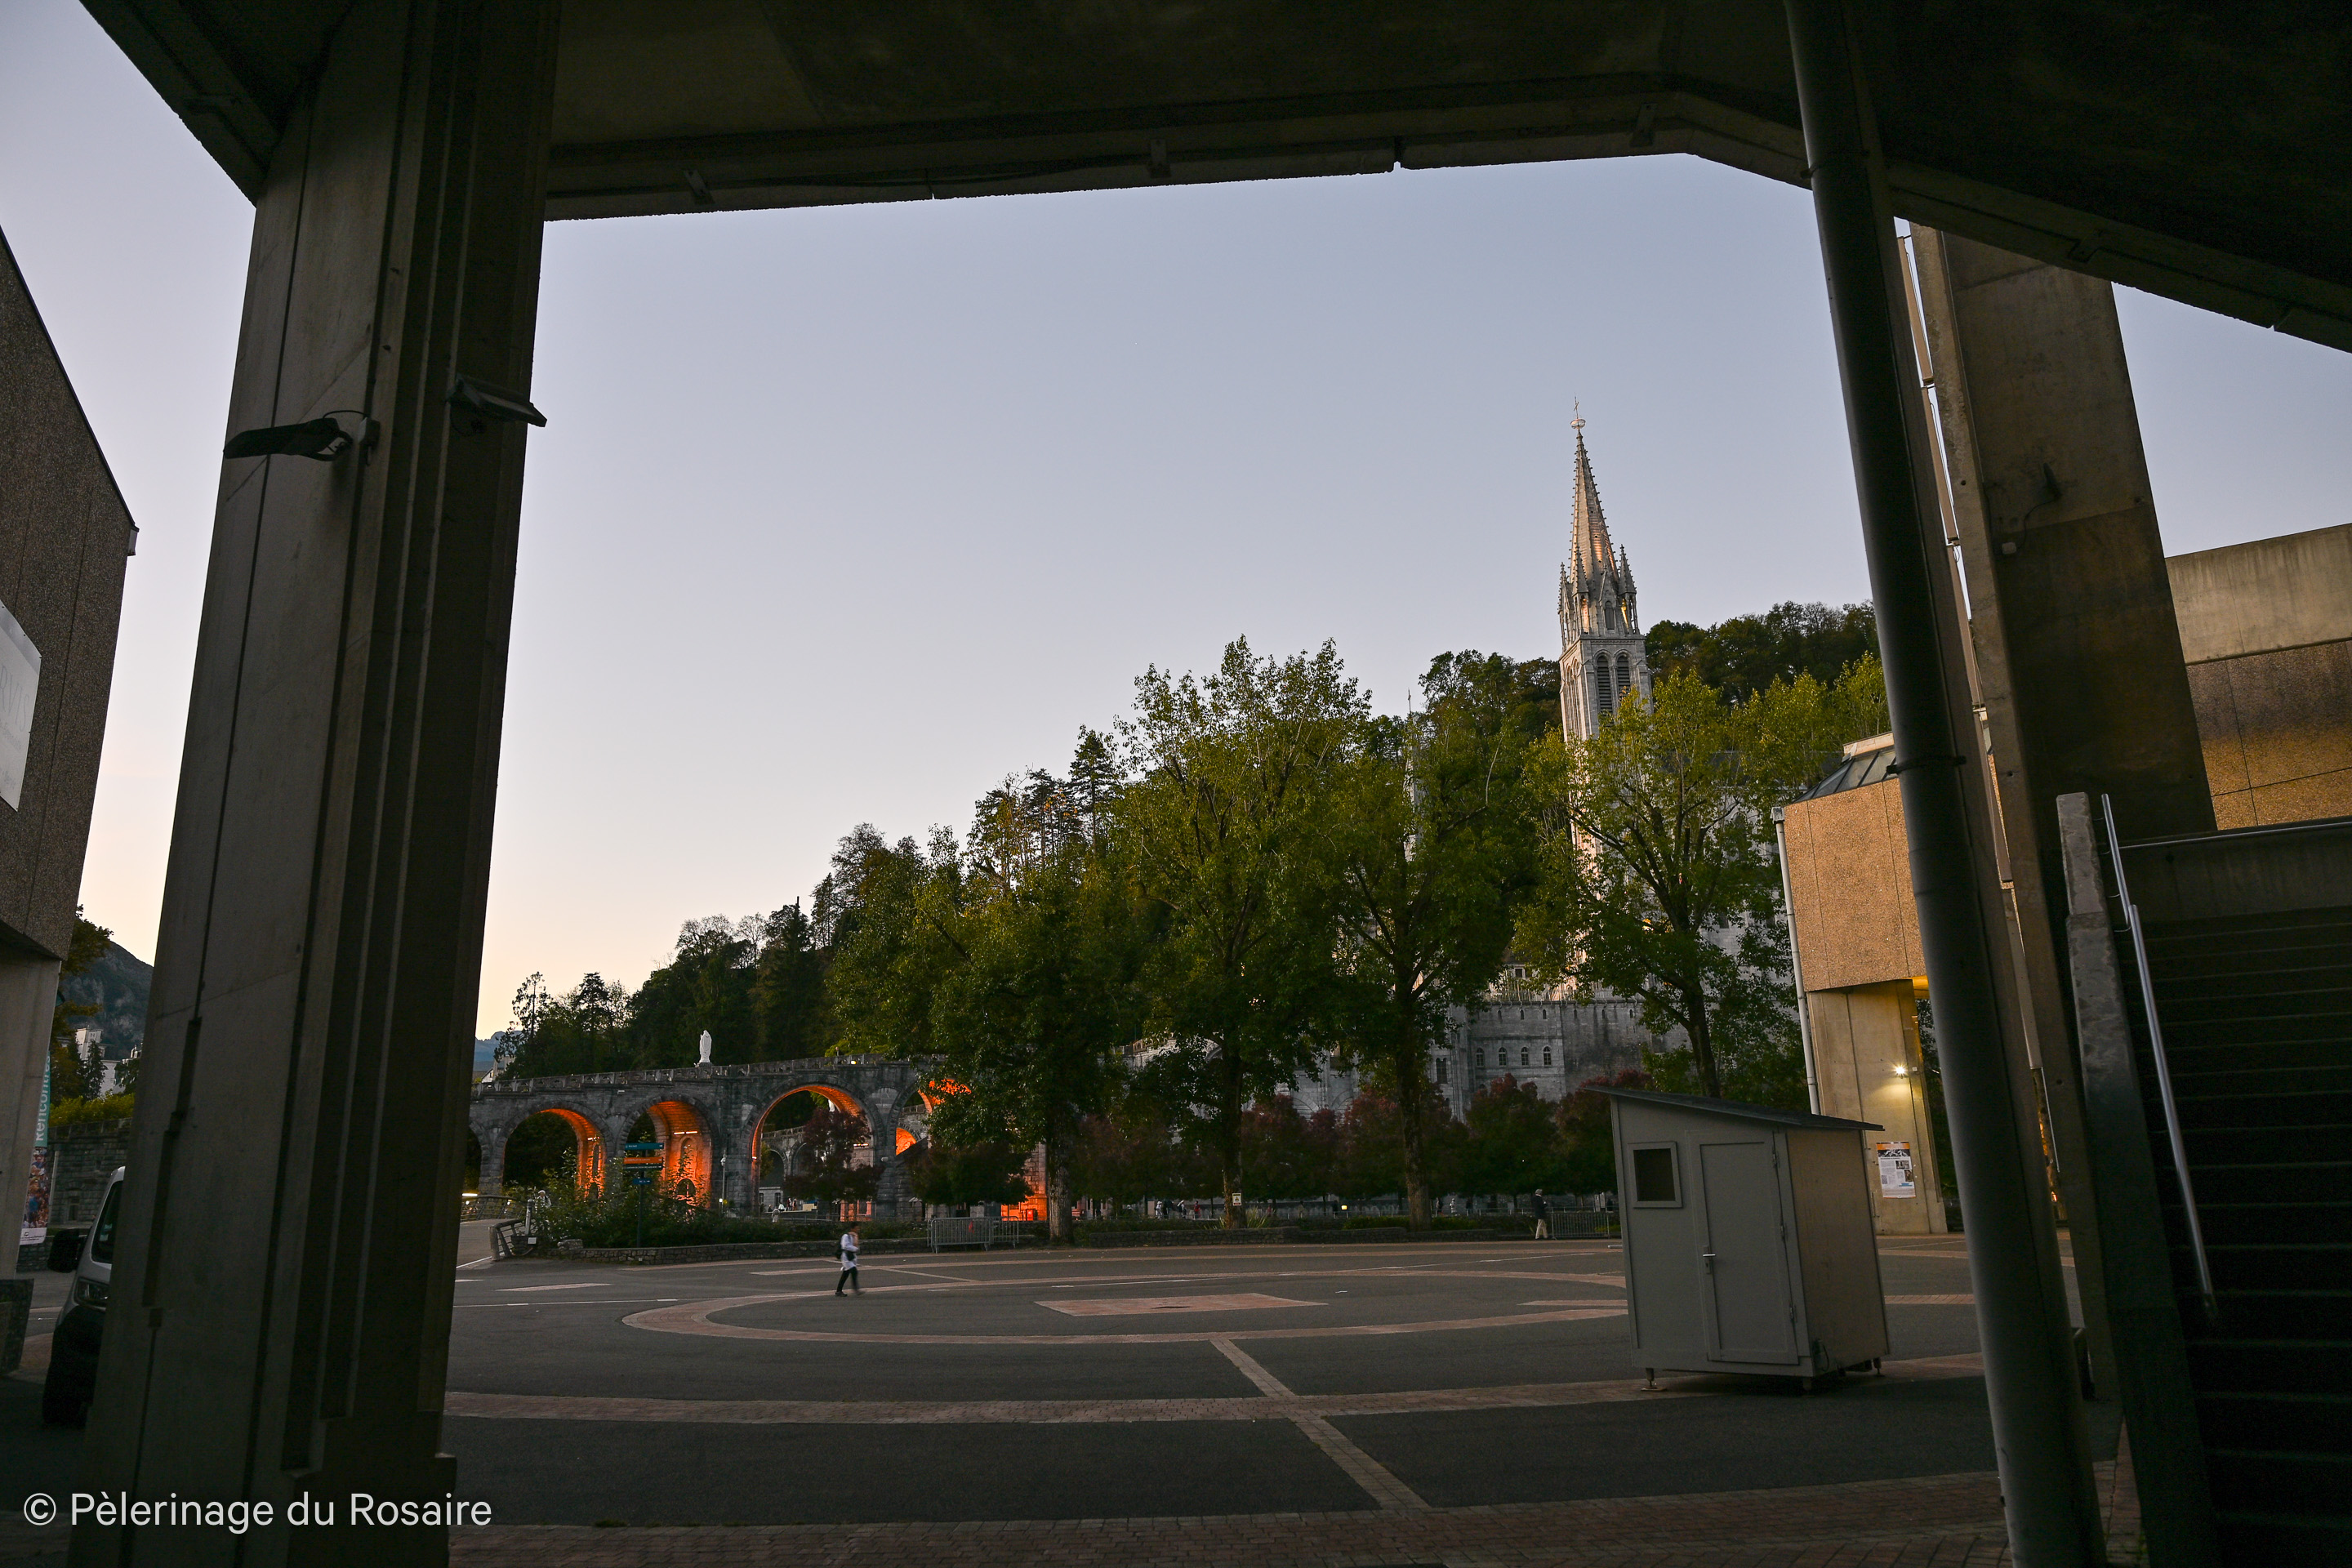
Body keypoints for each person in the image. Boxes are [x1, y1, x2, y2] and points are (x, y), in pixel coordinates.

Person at [835, 1225, 861, 1295]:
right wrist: (855, 1249)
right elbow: (845, 1246)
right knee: (854, 1271)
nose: (858, 1230)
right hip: (846, 1256)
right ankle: (855, 1289)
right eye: (856, 1228)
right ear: (852, 1229)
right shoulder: (846, 1236)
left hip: (850, 1256)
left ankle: (839, 1291)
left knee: (845, 1274)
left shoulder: (854, 1236)